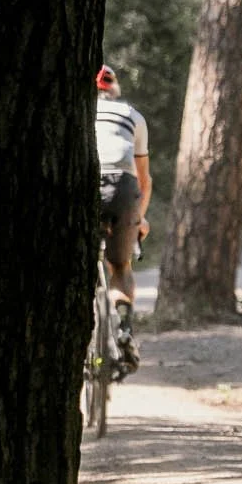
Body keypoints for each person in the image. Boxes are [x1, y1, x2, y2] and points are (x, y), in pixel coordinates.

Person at [94, 65, 152, 375]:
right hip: (123, 188)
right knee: (121, 266)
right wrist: (139, 219)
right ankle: (123, 327)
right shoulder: (133, 115)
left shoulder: (76, 110)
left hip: (88, 180)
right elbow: (143, 180)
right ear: (114, 89)